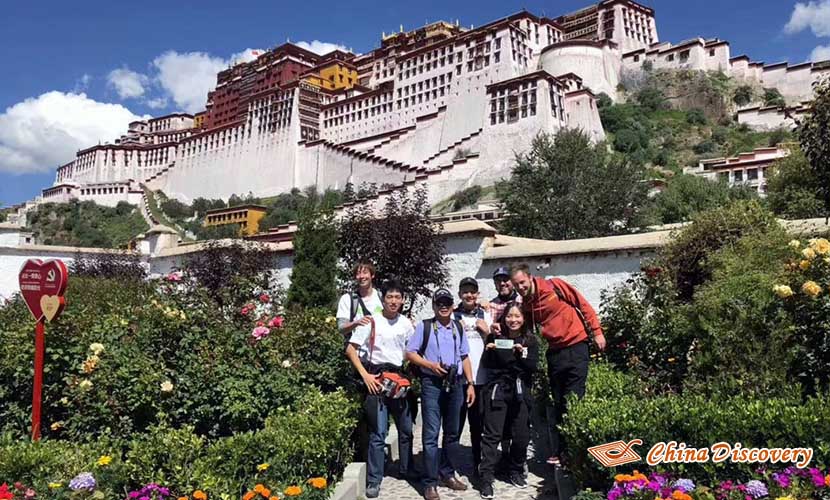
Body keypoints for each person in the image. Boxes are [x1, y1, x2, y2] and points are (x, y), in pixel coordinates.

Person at [510, 264, 606, 467]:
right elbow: (522, 326)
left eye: (522, 283)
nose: (520, 287)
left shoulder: (555, 286)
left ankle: (573, 453)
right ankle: (563, 452)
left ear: (530, 278)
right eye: (516, 285)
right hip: (555, 352)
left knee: (574, 399)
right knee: (559, 402)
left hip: (576, 345)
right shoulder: (526, 304)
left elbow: (583, 304)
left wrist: (597, 331)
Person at [345, 279, 416, 498]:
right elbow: (350, 349)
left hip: (398, 382)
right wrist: (365, 376)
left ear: (403, 300)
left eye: (397, 297)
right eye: (389, 297)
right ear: (382, 299)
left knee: (406, 430)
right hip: (376, 380)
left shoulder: (406, 324)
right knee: (378, 433)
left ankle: (406, 469)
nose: (393, 301)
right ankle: (374, 480)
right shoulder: (371, 322)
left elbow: (411, 352)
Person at [406, 289, 477, 500]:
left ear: (453, 305)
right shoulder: (425, 326)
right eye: (439, 303)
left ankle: (447, 473)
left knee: (453, 433)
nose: (443, 306)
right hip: (432, 384)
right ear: (434, 306)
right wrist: (431, 365)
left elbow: (464, 356)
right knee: (430, 435)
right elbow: (410, 353)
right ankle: (429, 483)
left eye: (447, 302)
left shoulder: (458, 327)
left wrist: (470, 384)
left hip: (456, 384)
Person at [478, 303, 539, 499]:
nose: (513, 320)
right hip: (498, 390)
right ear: (504, 318)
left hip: (520, 390)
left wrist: (522, 353)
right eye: (509, 316)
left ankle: (515, 469)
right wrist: (488, 348)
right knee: (492, 435)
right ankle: (486, 478)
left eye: (517, 316)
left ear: (524, 319)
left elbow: (532, 366)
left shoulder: (530, 340)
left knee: (521, 435)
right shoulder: (496, 337)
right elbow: (487, 364)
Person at [454, 277, 491, 477]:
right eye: (465, 291)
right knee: (455, 425)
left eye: (473, 291)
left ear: (477, 294)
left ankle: (478, 464)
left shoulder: (485, 315)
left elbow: (494, 342)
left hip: (481, 378)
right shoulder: (452, 316)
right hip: (459, 379)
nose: (469, 295)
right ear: (460, 294)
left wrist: (486, 333)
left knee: (478, 426)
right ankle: (449, 465)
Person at [337, 260, 384, 340]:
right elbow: (341, 328)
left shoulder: (382, 297)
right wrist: (356, 323)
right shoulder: (348, 299)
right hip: (356, 350)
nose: (362, 276)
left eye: (365, 272)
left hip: (380, 349)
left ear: (372, 275)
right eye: (358, 273)